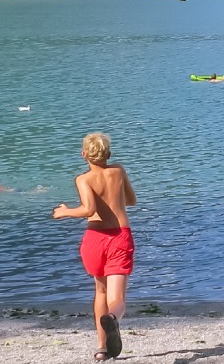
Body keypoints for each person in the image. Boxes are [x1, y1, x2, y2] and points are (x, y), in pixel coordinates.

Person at [52, 132, 138, 361]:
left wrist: (65, 211)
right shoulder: (118, 171)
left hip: (94, 239)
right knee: (117, 297)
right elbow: (132, 200)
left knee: (100, 291)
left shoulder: (83, 179)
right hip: (120, 236)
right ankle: (113, 318)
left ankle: (101, 348)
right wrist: (115, 199)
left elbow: (88, 210)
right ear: (108, 154)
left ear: (84, 155)